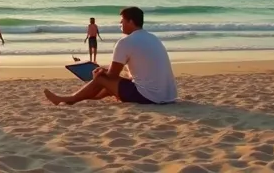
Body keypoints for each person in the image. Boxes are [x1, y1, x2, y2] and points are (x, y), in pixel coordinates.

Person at [44, 6, 177, 106]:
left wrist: (101, 72)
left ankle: (69, 99)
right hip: (169, 96)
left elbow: (112, 75)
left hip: (149, 98)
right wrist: (105, 70)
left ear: (130, 22)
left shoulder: (125, 42)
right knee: (109, 84)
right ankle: (87, 98)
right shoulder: (153, 38)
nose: (120, 25)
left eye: (122, 21)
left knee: (101, 78)